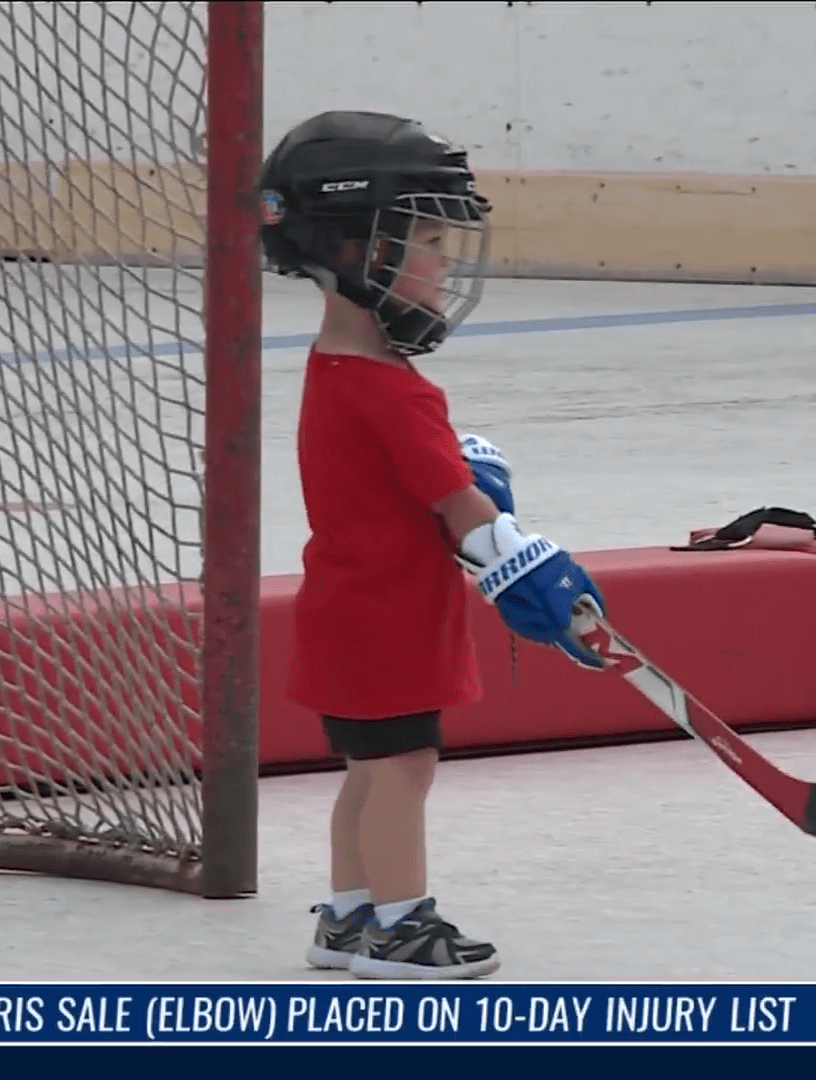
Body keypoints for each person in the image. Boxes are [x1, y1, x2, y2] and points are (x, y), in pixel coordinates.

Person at [259, 111, 609, 980]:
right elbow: (462, 514)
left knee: (367, 771)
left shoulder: (332, 370)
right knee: (405, 771)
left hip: (343, 615)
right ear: (358, 251)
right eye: (428, 242)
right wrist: (543, 579)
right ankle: (402, 927)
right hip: (392, 624)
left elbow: (409, 479)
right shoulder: (396, 393)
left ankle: (347, 918)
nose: (447, 264)